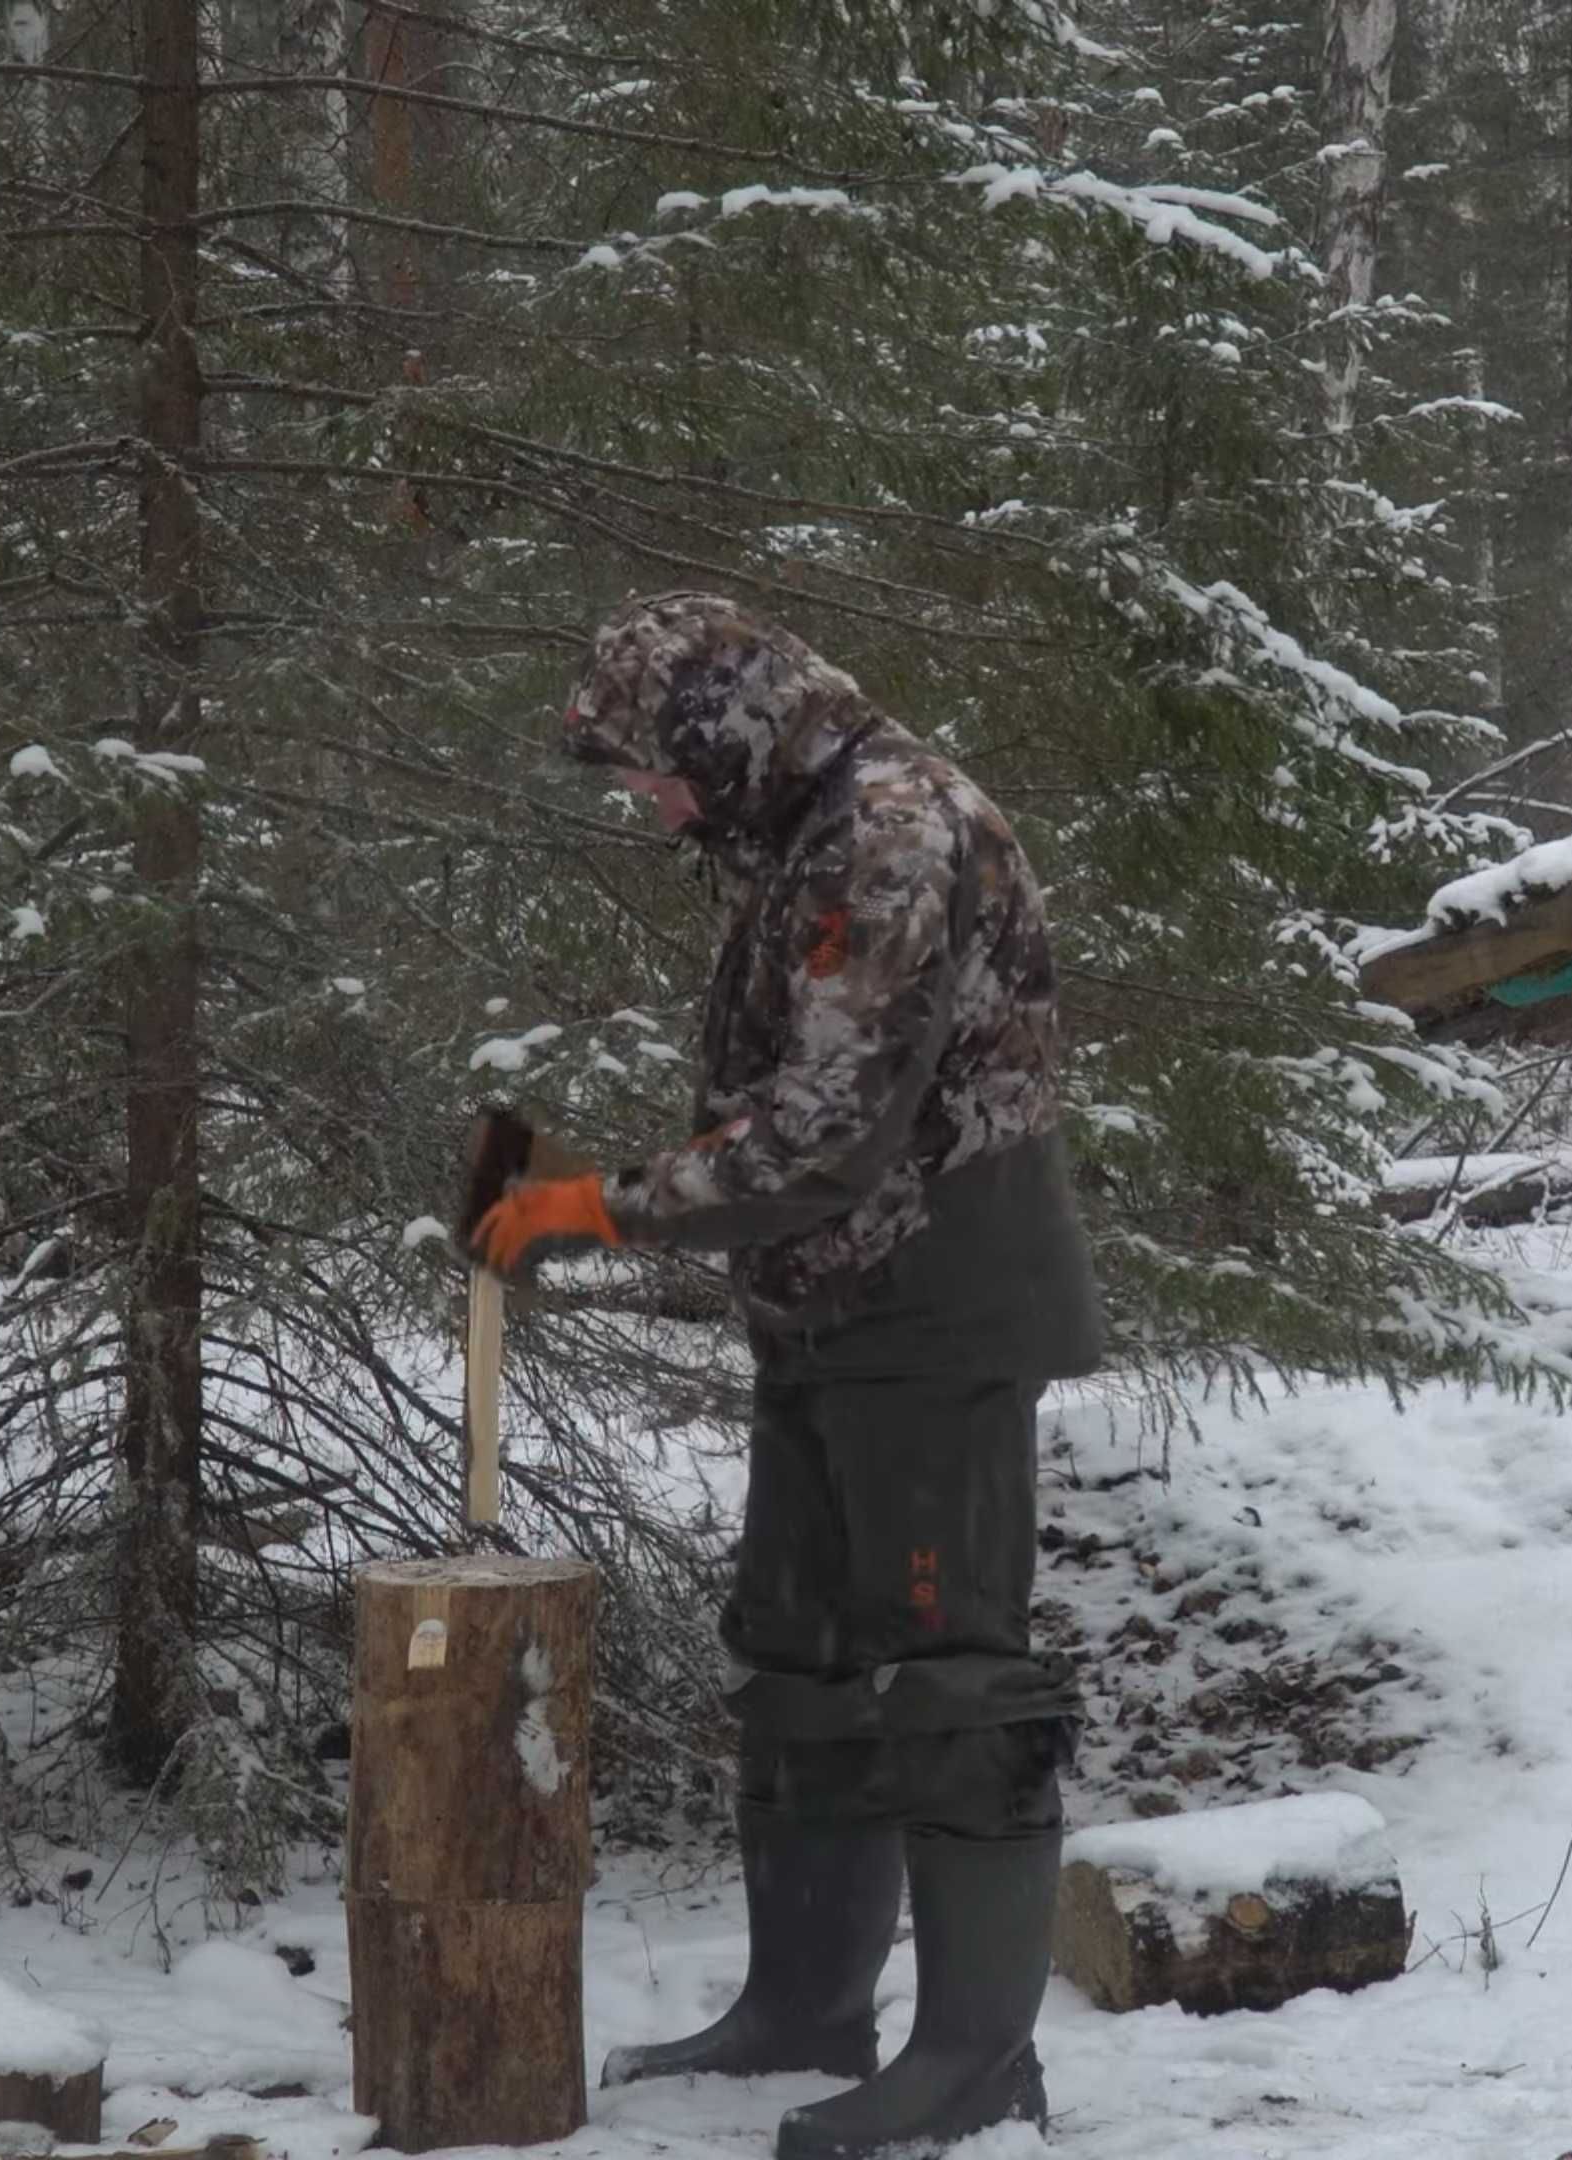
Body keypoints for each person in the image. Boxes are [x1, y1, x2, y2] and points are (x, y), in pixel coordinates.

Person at [464, 592, 1101, 2159]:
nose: (651, 806)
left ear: (721, 734)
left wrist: (597, 1206)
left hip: (939, 1306)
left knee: (955, 1677)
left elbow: (827, 1132)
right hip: (824, 1310)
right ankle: (805, 2010)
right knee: (803, 1657)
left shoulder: (889, 830)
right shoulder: (803, 832)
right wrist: (587, 1186)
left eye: (652, 772)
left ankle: (974, 2060)